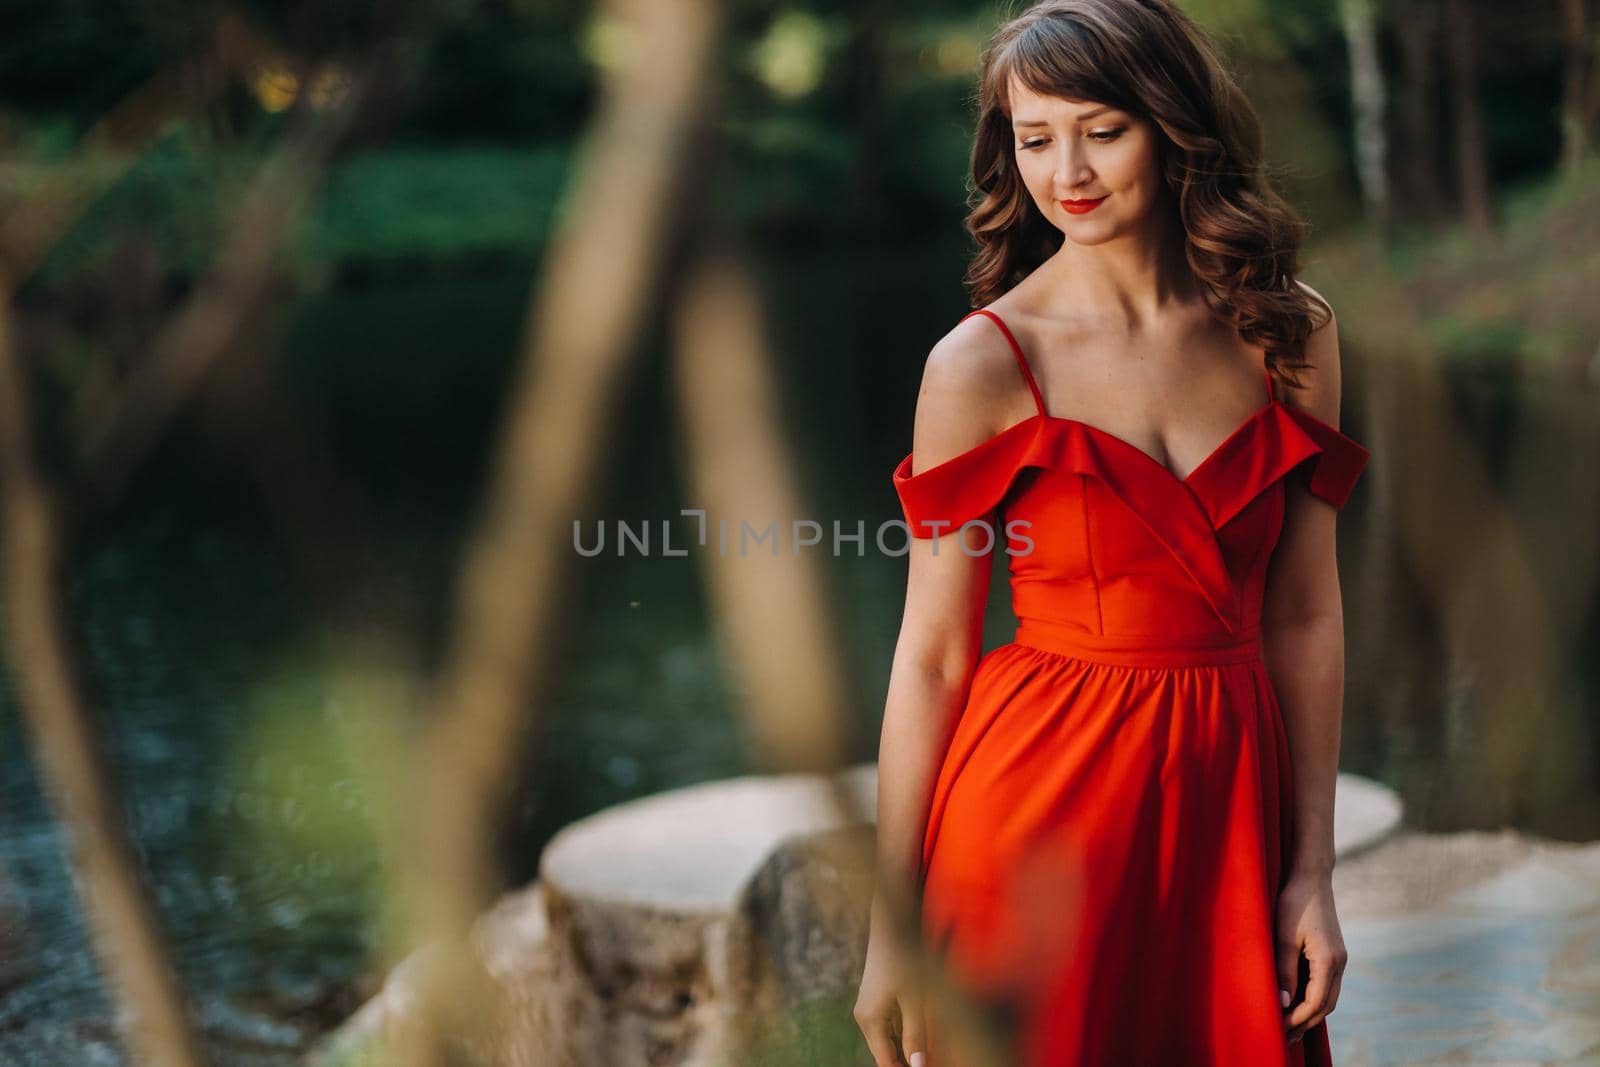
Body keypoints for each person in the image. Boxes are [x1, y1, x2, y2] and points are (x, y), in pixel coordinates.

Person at [853, 2, 1371, 1065]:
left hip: (1230, 810)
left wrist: (1311, 867)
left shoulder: (1291, 332)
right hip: (1033, 818)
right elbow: (934, 654)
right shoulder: (981, 363)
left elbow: (1307, 612)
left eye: (1100, 128)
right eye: (1032, 138)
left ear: (1176, 126)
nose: (1065, 172)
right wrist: (889, 927)